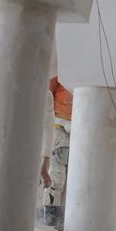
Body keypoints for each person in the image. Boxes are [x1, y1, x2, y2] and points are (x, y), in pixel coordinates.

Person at [40, 75, 73, 207]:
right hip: (59, 127)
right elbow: (46, 99)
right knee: (56, 174)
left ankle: (55, 213)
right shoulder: (59, 76)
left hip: (77, 129)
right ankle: (49, 213)